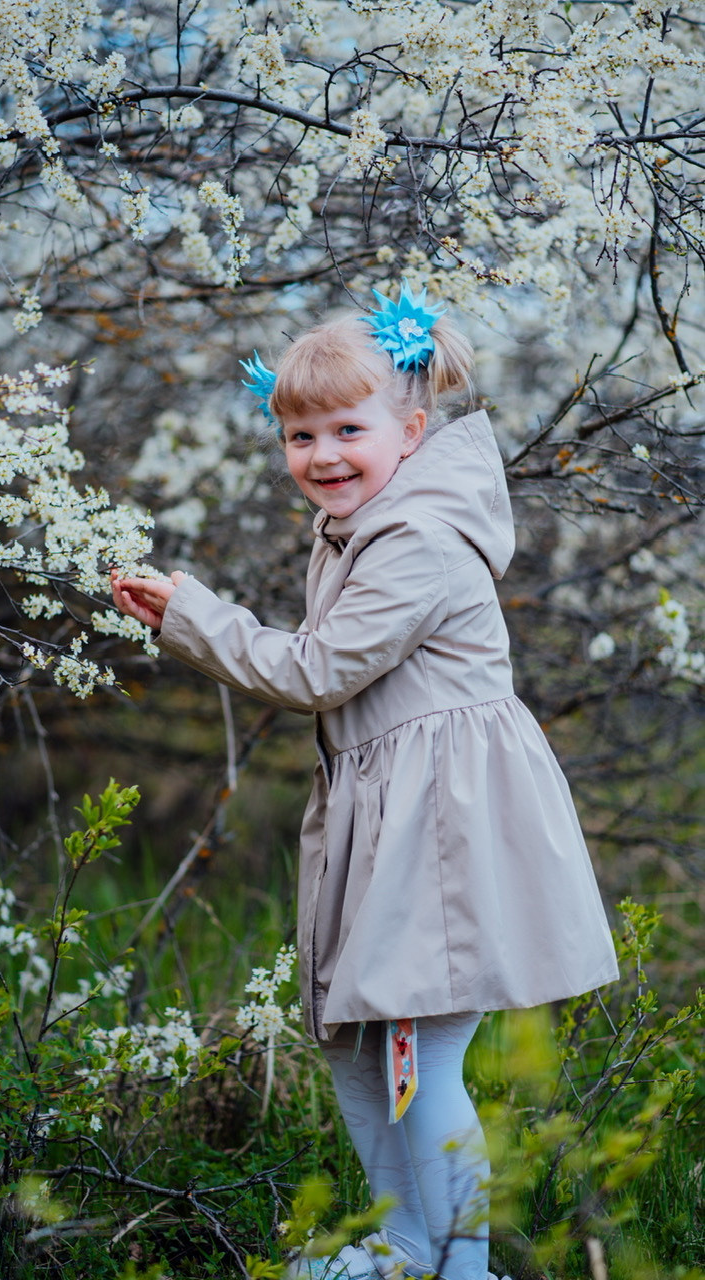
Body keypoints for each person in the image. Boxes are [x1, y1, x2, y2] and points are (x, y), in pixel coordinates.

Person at [110, 281, 619, 1280]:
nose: (322, 455)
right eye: (299, 436)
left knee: (419, 1057)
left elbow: (315, 670)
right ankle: (406, 1245)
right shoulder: (358, 524)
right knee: (355, 1044)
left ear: (412, 428)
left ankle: (459, 1264)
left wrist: (192, 615)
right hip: (397, 809)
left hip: (444, 821)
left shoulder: (414, 539)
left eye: (347, 428)